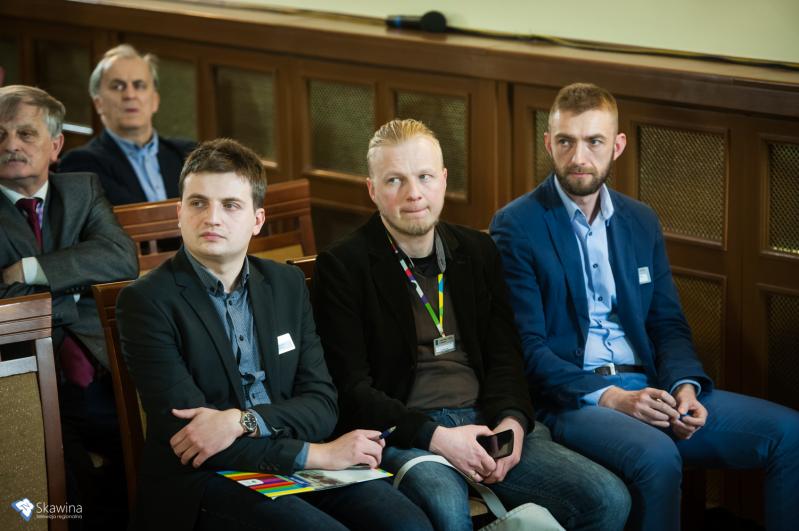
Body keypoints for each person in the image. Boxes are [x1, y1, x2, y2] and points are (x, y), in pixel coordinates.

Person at [490, 82, 799, 531]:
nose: (579, 157)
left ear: (617, 146)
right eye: (566, 141)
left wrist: (684, 387)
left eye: (594, 142)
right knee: (657, 456)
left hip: (652, 388)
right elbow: (528, 349)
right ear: (548, 143)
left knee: (788, 434)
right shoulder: (517, 225)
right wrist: (616, 398)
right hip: (575, 400)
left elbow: (667, 324)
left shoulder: (640, 220)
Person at [312, 118, 631, 531]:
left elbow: (506, 356)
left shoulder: (478, 251)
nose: (413, 193)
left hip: (486, 420)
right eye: (394, 180)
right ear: (372, 189)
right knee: (446, 508)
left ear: (443, 180)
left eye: (424, 177)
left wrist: (512, 422)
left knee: (606, 498)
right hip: (406, 433)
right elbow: (351, 389)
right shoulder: (343, 265)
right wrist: (437, 437)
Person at [116, 138, 433, 531]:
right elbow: (193, 440)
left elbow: (322, 404)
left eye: (230, 205)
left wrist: (243, 420)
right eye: (198, 203)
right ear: (179, 213)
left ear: (257, 219)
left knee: (409, 523)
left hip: (291, 461)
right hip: (208, 479)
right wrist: (316, 455)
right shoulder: (146, 301)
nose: (212, 218)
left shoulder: (286, 283)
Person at [0, 85, 139, 527]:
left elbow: (121, 259)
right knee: (69, 497)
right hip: (21, 382)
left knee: (166, 458)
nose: (10, 145)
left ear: (56, 145)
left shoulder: (82, 189)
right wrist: (76, 288)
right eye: (0, 135)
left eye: (26, 133)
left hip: (103, 371)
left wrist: (27, 270)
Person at [59, 44, 195, 205]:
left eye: (139, 85)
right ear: (98, 103)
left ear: (155, 101)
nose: (130, 95)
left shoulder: (189, 154)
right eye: (117, 86)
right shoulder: (80, 166)